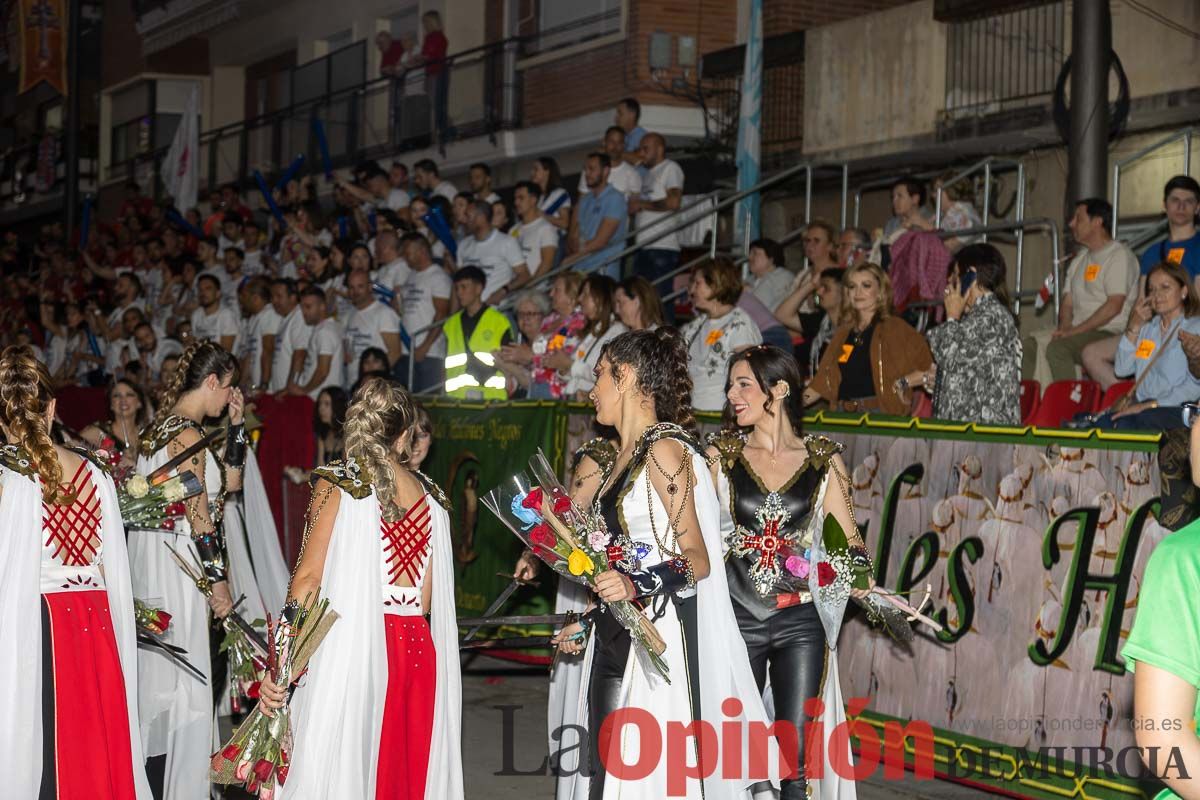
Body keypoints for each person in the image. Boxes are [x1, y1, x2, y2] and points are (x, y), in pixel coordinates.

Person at [549, 329, 777, 800]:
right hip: (614, 635)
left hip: (656, 638)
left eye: (599, 376)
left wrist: (636, 585)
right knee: (603, 778)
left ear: (626, 376)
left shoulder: (664, 450)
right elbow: (623, 553)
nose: (592, 391)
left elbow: (698, 557)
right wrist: (589, 616)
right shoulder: (619, 459)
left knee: (637, 780)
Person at [256, 378, 463, 799]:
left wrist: (282, 659)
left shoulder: (336, 484)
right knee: (402, 772)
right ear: (405, 435)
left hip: (354, 649)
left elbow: (308, 580)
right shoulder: (433, 499)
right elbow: (424, 601)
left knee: (342, 771)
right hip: (416, 653)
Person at [708, 345, 869, 799]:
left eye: (743, 384)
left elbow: (850, 543)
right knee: (728, 751)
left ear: (777, 390)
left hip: (801, 622)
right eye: (730, 385)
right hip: (735, 620)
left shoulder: (823, 461)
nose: (731, 395)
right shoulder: (721, 457)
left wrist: (863, 582)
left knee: (795, 760)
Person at [0, 346, 152, 799]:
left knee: (44, 745)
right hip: (96, 621)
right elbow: (113, 569)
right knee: (94, 743)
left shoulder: (9, 478)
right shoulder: (95, 473)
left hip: (40, 626)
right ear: (51, 407)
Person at [130, 341, 244, 798]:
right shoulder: (189, 435)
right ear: (212, 381)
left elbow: (229, 484)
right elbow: (201, 518)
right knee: (186, 683)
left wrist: (237, 427)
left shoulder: (160, 428)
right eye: (229, 389)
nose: (229, 398)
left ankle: (156, 779)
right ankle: (174, 785)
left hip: (156, 563)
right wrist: (219, 585)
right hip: (181, 567)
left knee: (163, 682)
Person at [1081, 175, 1200, 390]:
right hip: (1152, 329)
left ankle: (1155, 403)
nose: (1181, 206)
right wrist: (1134, 328)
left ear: (1198, 208)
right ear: (1164, 206)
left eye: (1189, 201)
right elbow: (1141, 300)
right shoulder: (1152, 253)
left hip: (1188, 329)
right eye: (1175, 200)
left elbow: (1197, 301)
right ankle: (1127, 399)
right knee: (1091, 354)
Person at [901, 243, 1021, 424]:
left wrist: (951, 318)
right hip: (965, 431)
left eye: (954, 276)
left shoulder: (992, 316)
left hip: (982, 435)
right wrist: (939, 380)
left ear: (971, 276)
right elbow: (963, 371)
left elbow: (951, 358)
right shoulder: (975, 317)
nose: (949, 282)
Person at [1022, 198, 1138, 384]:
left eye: (1078, 218)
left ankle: (1070, 404)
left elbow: (1114, 306)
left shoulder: (1119, 255)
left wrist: (1074, 331)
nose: (1071, 223)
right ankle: (1028, 408)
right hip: (1078, 331)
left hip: (1108, 331)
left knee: (1058, 349)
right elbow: (1067, 303)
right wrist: (1066, 327)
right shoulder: (1079, 260)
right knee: (1028, 346)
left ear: (1097, 222)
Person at [803, 262, 932, 414]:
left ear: (880, 292)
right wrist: (788, 405)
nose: (858, 292)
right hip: (842, 415)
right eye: (852, 286)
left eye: (866, 285)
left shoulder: (895, 328)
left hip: (879, 416)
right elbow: (822, 382)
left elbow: (930, 371)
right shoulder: (844, 334)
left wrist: (903, 383)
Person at [1099, 261, 1200, 431]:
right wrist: (1134, 327)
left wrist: (1152, 405)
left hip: (1178, 407)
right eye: (1152, 290)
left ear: (1184, 291)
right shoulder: (1148, 329)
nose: (1157, 295)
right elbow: (1122, 369)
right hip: (1143, 406)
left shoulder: (1195, 327)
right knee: (1104, 424)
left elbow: (1193, 388)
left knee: (1138, 421)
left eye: (1165, 287)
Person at [681, 258, 763, 412]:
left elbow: (750, 374)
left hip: (723, 414)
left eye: (697, 284)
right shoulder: (695, 325)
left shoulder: (740, 324)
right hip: (693, 412)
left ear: (715, 284)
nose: (691, 291)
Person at [443, 266, 513, 399]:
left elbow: (509, 362)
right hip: (456, 400)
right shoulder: (450, 324)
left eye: (464, 287)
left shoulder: (499, 321)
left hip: (491, 400)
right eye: (457, 288)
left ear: (479, 288)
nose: (459, 293)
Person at [629, 134, 684, 303]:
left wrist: (642, 204)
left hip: (662, 246)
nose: (641, 153)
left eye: (646, 148)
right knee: (641, 301)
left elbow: (674, 202)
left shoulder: (670, 168)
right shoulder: (646, 174)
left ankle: (666, 331)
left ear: (659, 149)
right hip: (644, 245)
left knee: (659, 301)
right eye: (640, 148)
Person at [395, 233, 452, 392]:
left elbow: (441, 315)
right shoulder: (411, 276)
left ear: (422, 251)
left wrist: (425, 347)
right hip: (408, 350)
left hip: (429, 354)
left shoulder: (438, 276)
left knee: (426, 403)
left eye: (408, 253)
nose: (405, 257)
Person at [563, 274, 626, 400]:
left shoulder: (617, 331)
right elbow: (576, 370)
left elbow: (608, 373)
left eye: (586, 294)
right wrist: (562, 367)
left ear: (602, 298)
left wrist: (570, 364)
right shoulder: (591, 330)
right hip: (575, 401)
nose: (580, 299)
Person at [567, 152, 628, 281]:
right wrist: (577, 252)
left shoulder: (615, 198)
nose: (587, 173)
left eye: (592, 169)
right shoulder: (584, 200)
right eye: (585, 169)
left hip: (602, 270)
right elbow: (573, 237)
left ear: (606, 171)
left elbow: (600, 241)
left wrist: (572, 257)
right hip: (580, 267)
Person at [456, 198, 527, 304]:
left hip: (497, 312)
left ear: (481, 218)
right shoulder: (463, 245)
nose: (464, 220)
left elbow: (524, 275)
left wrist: (503, 291)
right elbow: (458, 282)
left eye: (468, 216)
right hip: (470, 314)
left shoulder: (506, 242)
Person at [343, 269, 403, 387]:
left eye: (360, 286)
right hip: (353, 383)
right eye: (351, 287)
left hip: (374, 387)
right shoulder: (351, 314)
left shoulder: (384, 313)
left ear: (370, 287)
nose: (355, 292)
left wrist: (375, 380)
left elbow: (395, 352)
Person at [284, 386, 348, 486]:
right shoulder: (323, 434)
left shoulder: (348, 434)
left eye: (326, 404)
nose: (321, 408)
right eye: (320, 404)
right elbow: (320, 468)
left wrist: (304, 476)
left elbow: (345, 472)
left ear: (338, 406)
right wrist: (301, 472)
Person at [80, 377, 150, 469]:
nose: (123, 400)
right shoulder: (99, 432)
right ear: (111, 405)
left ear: (139, 403)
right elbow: (70, 446)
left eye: (129, 395)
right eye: (117, 395)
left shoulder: (147, 435)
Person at [289, 286, 345, 399]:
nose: (304, 312)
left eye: (308, 307)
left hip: (319, 398)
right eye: (302, 307)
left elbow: (323, 370)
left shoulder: (325, 331)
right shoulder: (324, 328)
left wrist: (304, 390)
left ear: (322, 306)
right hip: (318, 397)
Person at [495, 289, 550, 398]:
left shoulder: (551, 344)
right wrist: (502, 367)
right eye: (521, 314)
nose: (525, 318)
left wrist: (511, 368)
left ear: (543, 316)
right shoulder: (518, 346)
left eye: (531, 313)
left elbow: (541, 386)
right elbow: (512, 387)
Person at [575, 126, 642, 200]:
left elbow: (635, 205)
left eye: (619, 142)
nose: (615, 146)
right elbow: (581, 201)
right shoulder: (590, 170)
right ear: (604, 142)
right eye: (611, 141)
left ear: (624, 145)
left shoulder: (632, 174)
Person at [512, 181, 559, 283]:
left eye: (521, 198)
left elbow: (547, 263)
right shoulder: (513, 229)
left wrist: (531, 287)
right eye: (515, 198)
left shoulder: (546, 228)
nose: (516, 202)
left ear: (533, 200)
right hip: (511, 291)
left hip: (534, 292)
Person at [745, 237, 794, 313]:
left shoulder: (783, 278)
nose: (749, 257)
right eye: (750, 253)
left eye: (755, 253)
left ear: (771, 259)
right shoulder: (749, 279)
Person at [532, 156, 572, 233]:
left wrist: (543, 216)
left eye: (536, 169)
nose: (532, 173)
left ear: (547, 171)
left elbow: (565, 223)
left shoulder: (560, 193)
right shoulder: (539, 197)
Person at [614, 97, 646, 163]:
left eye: (620, 113)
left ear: (632, 114)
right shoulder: (623, 136)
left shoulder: (643, 137)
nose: (616, 118)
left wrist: (611, 151)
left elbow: (638, 160)